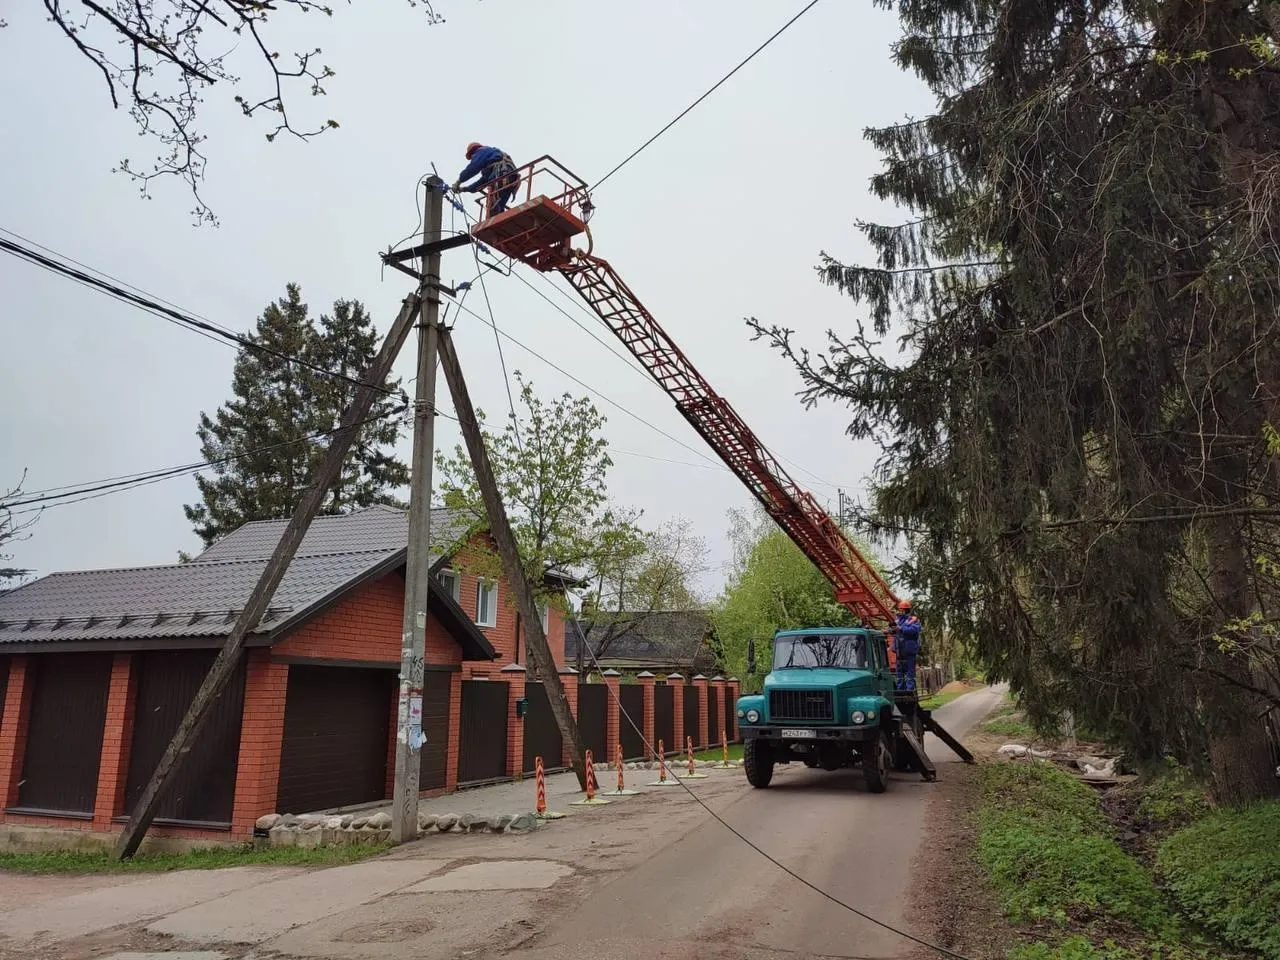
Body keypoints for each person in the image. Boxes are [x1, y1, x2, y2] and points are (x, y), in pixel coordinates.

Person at [452, 142, 519, 216]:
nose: (473, 159)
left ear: (473, 152)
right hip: (511, 178)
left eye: (472, 158)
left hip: (501, 176)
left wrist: (459, 181)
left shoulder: (481, 151)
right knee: (498, 207)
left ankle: (495, 221)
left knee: (492, 207)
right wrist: (464, 189)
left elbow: (473, 168)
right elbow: (482, 182)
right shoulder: (491, 159)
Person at [894, 599, 921, 691]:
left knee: (910, 672)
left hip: (909, 650)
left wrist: (901, 629)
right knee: (899, 673)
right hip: (899, 651)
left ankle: (910, 690)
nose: (900, 611)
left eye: (901, 609)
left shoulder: (913, 620)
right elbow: (895, 633)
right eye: (899, 609)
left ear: (906, 610)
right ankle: (900, 690)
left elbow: (914, 630)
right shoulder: (897, 620)